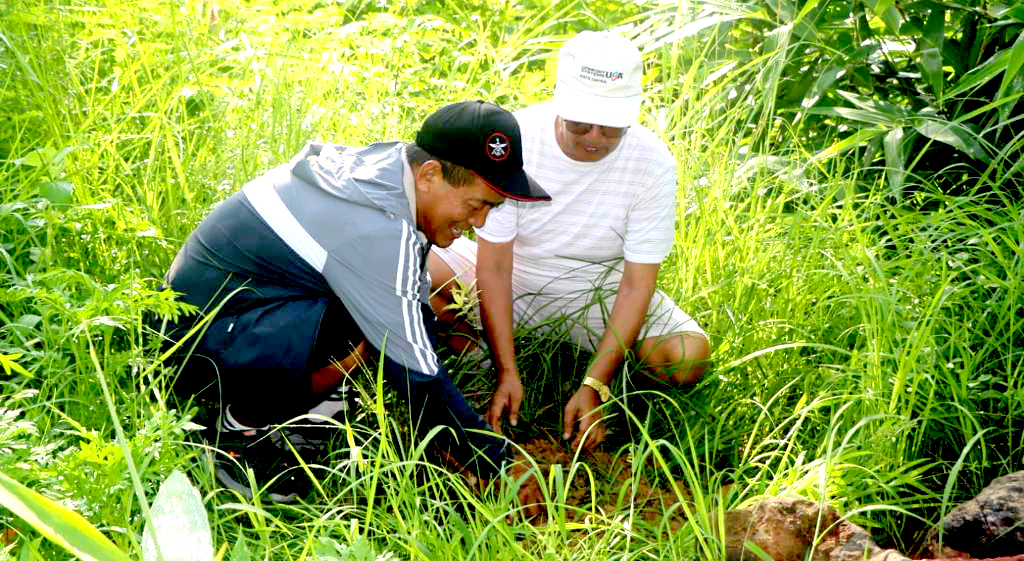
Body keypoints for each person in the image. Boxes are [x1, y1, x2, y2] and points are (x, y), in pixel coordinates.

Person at [156, 100, 550, 503]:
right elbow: (413, 369)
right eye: (476, 204)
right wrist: (499, 464)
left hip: (235, 316)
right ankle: (239, 436)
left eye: (491, 209)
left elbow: (412, 313)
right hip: (193, 348)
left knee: (386, 314)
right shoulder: (376, 225)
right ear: (430, 174)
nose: (480, 222)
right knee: (362, 327)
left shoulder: (388, 174)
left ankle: (307, 405)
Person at [429, 31, 711, 452]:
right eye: (580, 122)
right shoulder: (515, 138)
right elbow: (495, 264)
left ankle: (611, 377)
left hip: (600, 294)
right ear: (559, 101)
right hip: (516, 281)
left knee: (687, 356)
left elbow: (638, 282)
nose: (595, 137)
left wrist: (597, 384)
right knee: (423, 267)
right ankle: (480, 358)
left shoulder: (652, 162)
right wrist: (508, 371)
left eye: (612, 126)